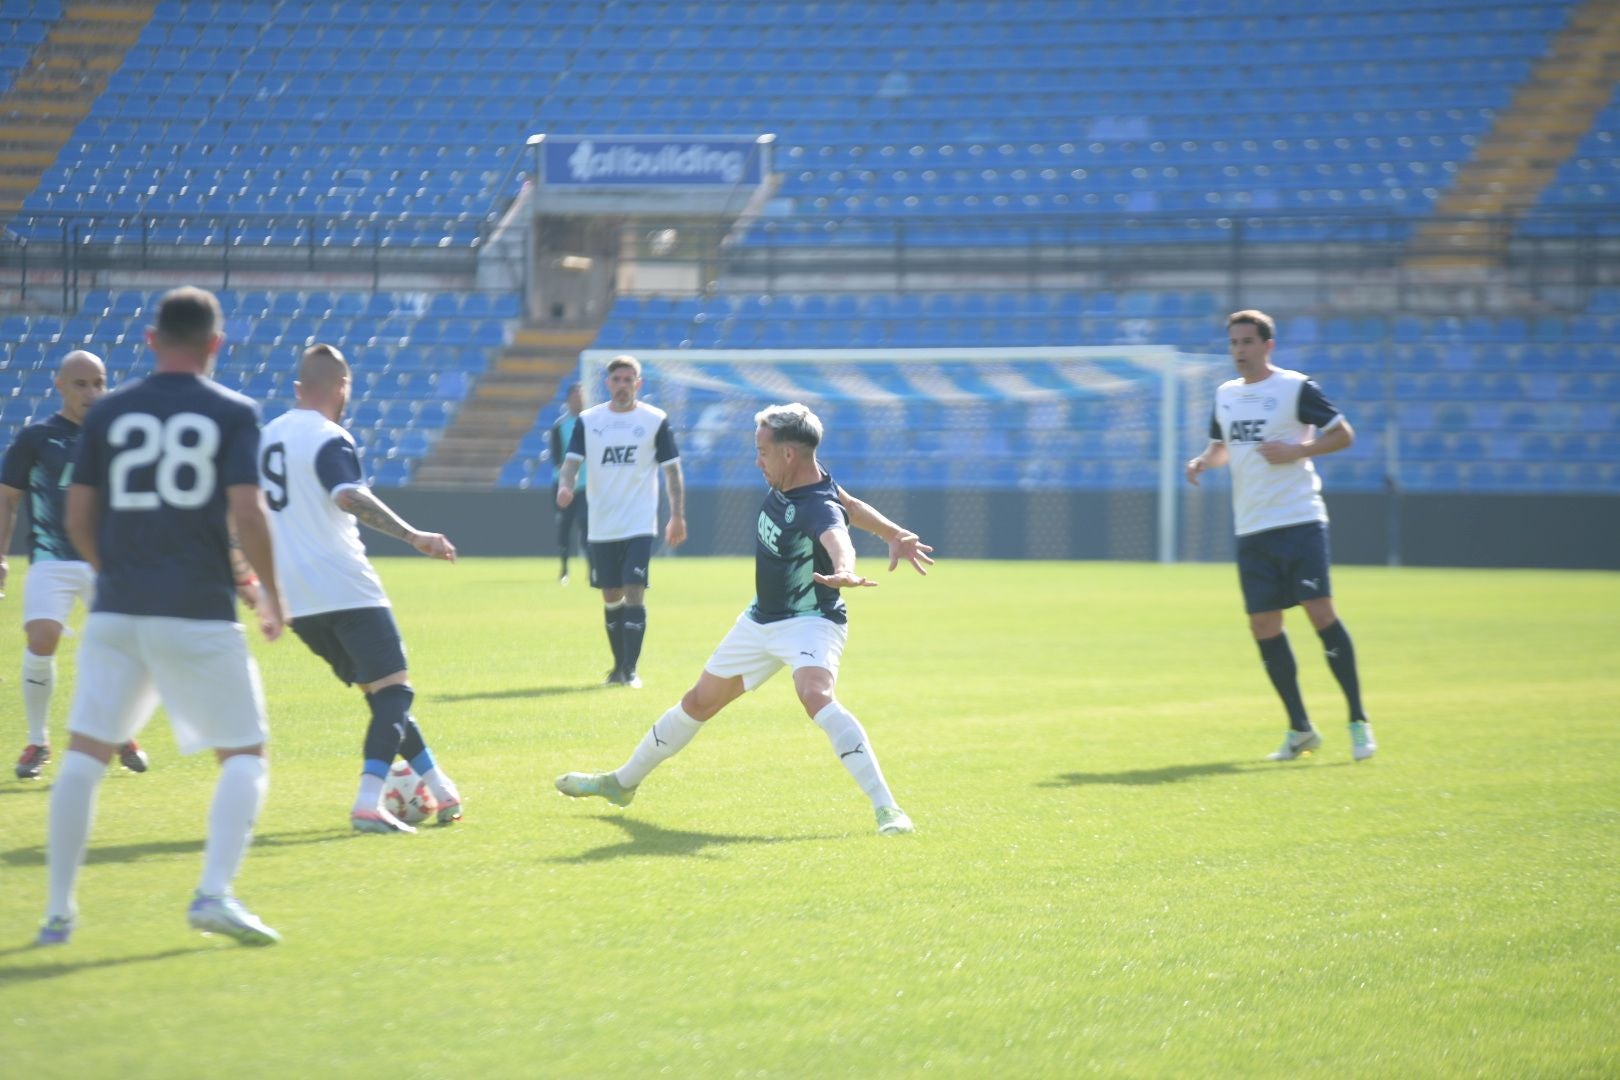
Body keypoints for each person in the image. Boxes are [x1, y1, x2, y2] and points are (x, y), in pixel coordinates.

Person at [37, 286, 286, 947]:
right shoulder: (233, 411)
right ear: (215, 344)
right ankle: (213, 894)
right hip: (198, 610)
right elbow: (248, 512)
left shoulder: (108, 413)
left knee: (85, 755)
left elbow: (77, 516)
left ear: (150, 340)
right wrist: (270, 592)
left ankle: (58, 912)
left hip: (118, 607)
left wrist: (110, 573)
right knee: (244, 756)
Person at [555, 402, 934, 836]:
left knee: (814, 693)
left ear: (788, 455)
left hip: (811, 619)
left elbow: (837, 531)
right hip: (759, 620)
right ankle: (620, 783)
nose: (757, 461)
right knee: (698, 702)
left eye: (762, 451)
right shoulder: (811, 476)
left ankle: (888, 810)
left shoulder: (814, 504)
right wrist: (893, 533)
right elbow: (848, 503)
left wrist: (844, 567)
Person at [258, 343, 463, 834]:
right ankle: (369, 802)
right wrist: (414, 535)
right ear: (342, 387)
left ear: (298, 388)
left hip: (296, 597)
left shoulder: (265, 438)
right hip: (343, 584)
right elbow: (349, 495)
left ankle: (440, 789)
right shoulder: (330, 437)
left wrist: (254, 579)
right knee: (395, 692)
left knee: (382, 694)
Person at [1185, 309, 1377, 762]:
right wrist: (1202, 461)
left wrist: (1299, 450)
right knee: (1263, 624)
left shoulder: (1295, 387)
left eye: (1248, 342)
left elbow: (1343, 434)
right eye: (1234, 343)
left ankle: (1357, 721)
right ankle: (1300, 729)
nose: (1239, 351)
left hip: (1299, 520)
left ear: (1267, 346)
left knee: (1320, 614)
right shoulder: (1226, 395)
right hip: (1252, 526)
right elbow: (1222, 449)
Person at [1, 351, 149, 779]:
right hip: (52, 557)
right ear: (59, 385)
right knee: (42, 637)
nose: (91, 392)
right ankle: (36, 741)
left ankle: (120, 730)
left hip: (107, 561)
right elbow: (7, 498)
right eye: (81, 384)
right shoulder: (36, 437)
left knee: (123, 647)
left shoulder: (120, 437)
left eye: (98, 383)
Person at [555, 355, 687, 688]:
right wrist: (566, 486)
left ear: (638, 384)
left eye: (629, 380)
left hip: (639, 523)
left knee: (634, 590)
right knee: (610, 594)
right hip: (601, 522)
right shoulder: (589, 420)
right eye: (617, 380)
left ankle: (630, 670)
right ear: (607, 383)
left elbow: (672, 470)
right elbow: (571, 462)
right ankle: (617, 667)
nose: (623, 385)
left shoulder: (655, 420)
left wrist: (677, 516)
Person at [548, 382, 589, 585]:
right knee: (565, 527)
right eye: (575, 396)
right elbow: (556, 458)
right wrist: (568, 474)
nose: (578, 400)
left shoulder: (592, 423)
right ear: (568, 400)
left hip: (586, 486)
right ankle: (564, 569)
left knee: (586, 525)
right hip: (564, 486)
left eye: (581, 396)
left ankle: (593, 570)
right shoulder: (560, 426)